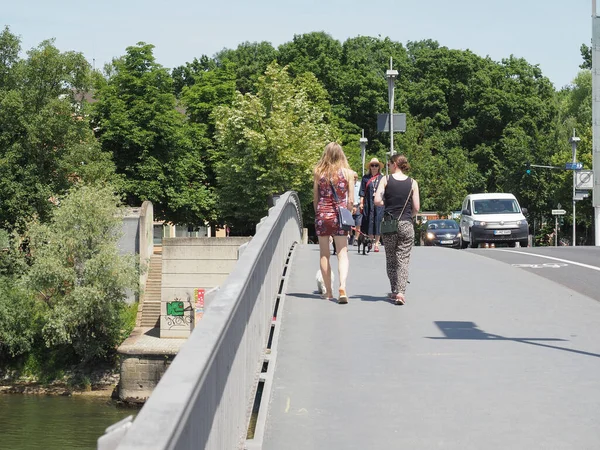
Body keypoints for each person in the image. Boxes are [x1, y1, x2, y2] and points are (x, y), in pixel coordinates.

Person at [374, 154, 420, 305]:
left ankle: (394, 290)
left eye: (389, 164)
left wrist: (386, 204)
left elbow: (377, 200)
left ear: (395, 164)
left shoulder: (385, 180)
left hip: (389, 224)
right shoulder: (413, 183)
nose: (387, 166)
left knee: (391, 258)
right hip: (406, 223)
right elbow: (416, 208)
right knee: (403, 259)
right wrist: (408, 216)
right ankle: (401, 292)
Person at [314, 142, 354, 304]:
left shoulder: (318, 173)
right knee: (342, 254)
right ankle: (342, 287)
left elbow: (315, 198)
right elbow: (350, 200)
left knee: (324, 254)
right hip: (340, 216)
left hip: (323, 214)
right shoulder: (348, 173)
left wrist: (319, 214)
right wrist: (348, 215)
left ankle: (328, 292)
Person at [359, 157, 385, 252]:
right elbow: (362, 191)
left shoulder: (382, 178)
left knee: (378, 221)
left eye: (376, 165)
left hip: (379, 203)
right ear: (370, 167)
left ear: (379, 167)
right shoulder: (365, 178)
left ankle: (377, 244)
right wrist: (361, 202)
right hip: (368, 202)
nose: (374, 167)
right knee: (369, 220)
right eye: (372, 165)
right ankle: (370, 241)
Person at [349, 171, 362, 246]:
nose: (354, 179)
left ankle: (356, 239)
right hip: (349, 205)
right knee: (349, 223)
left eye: (355, 177)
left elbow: (361, 196)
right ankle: (351, 235)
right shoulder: (348, 185)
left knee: (358, 223)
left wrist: (358, 205)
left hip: (357, 205)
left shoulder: (359, 185)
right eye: (352, 177)